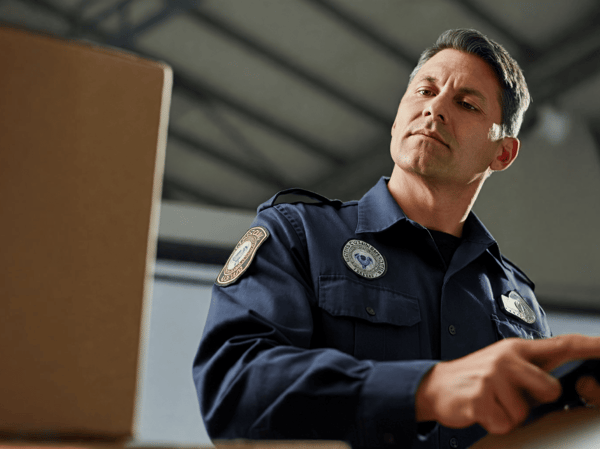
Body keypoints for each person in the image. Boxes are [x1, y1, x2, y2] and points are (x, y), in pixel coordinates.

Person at [193, 29, 600, 449]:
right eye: (425, 90)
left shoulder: (520, 302)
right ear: (398, 116)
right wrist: (424, 389)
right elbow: (231, 387)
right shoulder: (298, 235)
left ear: (503, 153)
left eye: (466, 104)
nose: (435, 108)